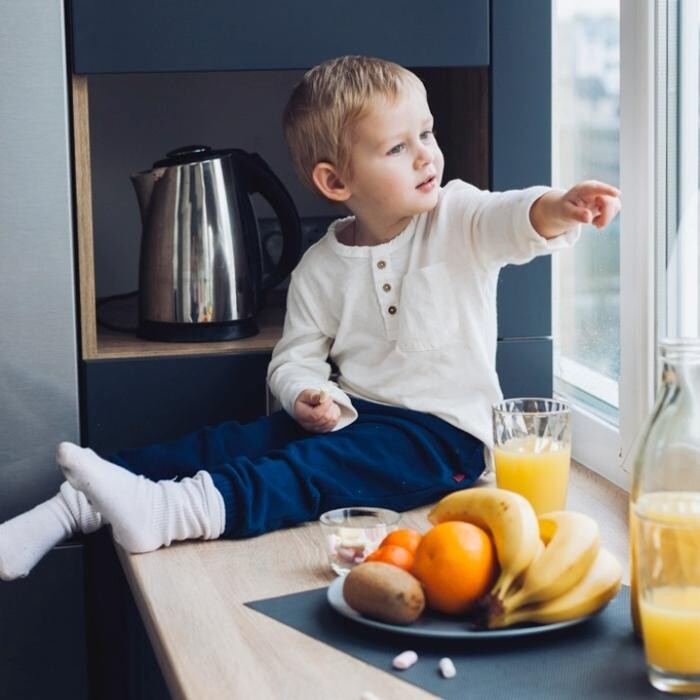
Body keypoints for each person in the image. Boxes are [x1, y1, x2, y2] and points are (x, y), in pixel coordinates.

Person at [0, 55, 620, 581]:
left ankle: (171, 515)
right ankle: (71, 508)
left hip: (441, 439)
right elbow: (295, 356)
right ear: (335, 180)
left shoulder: (457, 218)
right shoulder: (321, 265)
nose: (426, 156)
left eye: (426, 134)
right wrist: (306, 395)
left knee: (302, 472)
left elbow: (513, 218)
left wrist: (560, 206)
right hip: (354, 415)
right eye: (397, 147)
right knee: (231, 442)